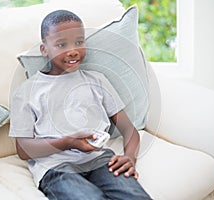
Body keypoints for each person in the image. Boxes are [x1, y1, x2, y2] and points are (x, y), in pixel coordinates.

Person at [9, 10, 151, 200]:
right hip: (55, 168)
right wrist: (67, 143)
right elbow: (23, 149)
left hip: (101, 160)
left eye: (79, 42)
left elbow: (129, 130)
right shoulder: (26, 92)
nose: (73, 50)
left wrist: (130, 158)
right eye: (61, 44)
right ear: (44, 49)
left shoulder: (97, 80)